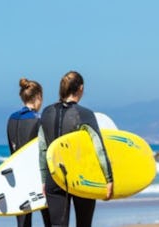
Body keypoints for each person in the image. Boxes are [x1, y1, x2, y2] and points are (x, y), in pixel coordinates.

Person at [38, 71, 114, 227]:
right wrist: (109, 178)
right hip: (81, 177)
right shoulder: (85, 114)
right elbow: (98, 147)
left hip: (55, 177)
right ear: (81, 88)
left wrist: (44, 179)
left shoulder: (46, 112)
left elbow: (42, 149)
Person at [7, 78, 51, 227]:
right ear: (38, 97)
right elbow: (45, 151)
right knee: (49, 220)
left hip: (17, 178)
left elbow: (12, 150)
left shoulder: (11, 119)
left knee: (23, 223)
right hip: (38, 178)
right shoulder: (39, 120)